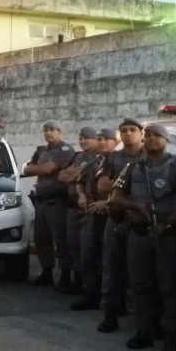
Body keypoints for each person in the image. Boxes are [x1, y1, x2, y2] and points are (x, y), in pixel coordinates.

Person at [108, 123, 176, 351]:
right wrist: (137, 206)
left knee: (170, 286)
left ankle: (171, 336)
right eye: (148, 135)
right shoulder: (133, 167)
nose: (151, 139)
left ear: (166, 140)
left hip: (168, 235)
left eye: (157, 136)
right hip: (139, 233)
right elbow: (115, 197)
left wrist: (168, 224)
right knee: (140, 285)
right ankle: (143, 332)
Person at [90, 118, 143, 332]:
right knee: (112, 269)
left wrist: (119, 189)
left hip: (140, 222)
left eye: (133, 130)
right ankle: (110, 315)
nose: (129, 134)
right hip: (117, 218)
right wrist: (131, 187)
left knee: (141, 273)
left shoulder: (149, 157)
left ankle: (144, 321)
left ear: (141, 133)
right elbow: (102, 185)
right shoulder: (113, 158)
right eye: (124, 131)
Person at [23, 120, 75, 289]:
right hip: (41, 200)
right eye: (46, 130)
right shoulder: (42, 150)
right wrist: (40, 168)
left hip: (57, 200)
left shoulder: (65, 150)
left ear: (59, 131)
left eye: (52, 130)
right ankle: (46, 272)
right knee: (41, 238)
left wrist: (40, 168)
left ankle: (66, 275)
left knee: (60, 239)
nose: (48, 133)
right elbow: (27, 169)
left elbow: (46, 170)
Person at [71, 127, 118, 311]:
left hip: (112, 215)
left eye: (107, 139)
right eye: (99, 139)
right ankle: (91, 294)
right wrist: (82, 195)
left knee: (110, 260)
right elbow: (80, 182)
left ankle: (112, 300)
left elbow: (126, 188)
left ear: (115, 141)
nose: (103, 142)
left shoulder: (120, 160)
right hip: (92, 214)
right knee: (89, 255)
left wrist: (107, 203)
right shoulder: (95, 162)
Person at [58, 125, 99, 295]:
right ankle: (77, 280)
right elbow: (62, 176)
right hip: (72, 206)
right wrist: (77, 172)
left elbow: (81, 176)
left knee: (87, 248)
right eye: (81, 138)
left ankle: (89, 286)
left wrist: (75, 173)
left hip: (88, 209)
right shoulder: (78, 156)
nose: (83, 141)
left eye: (87, 138)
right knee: (72, 244)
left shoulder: (98, 158)